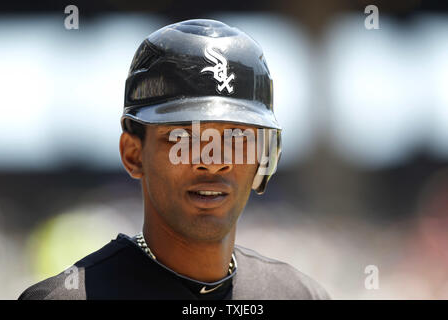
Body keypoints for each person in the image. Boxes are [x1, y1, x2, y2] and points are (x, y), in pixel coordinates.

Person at [18, 19, 330, 300]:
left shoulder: (299, 295)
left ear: (264, 155)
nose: (213, 161)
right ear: (133, 154)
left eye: (237, 137)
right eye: (185, 138)